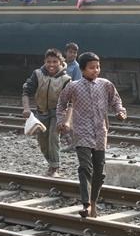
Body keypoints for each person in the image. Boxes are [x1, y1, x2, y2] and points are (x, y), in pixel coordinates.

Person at [56, 52, 126, 218]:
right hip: (82, 133)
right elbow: (61, 104)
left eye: (98, 67)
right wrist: (61, 121)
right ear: (82, 69)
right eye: (92, 68)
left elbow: (116, 100)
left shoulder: (106, 85)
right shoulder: (73, 86)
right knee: (85, 168)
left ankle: (93, 204)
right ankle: (86, 204)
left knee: (100, 172)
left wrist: (120, 112)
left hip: (100, 133)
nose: (96, 70)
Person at [22, 49, 72, 177]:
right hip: (41, 112)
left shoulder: (66, 79)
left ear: (60, 62)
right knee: (42, 141)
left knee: (53, 138)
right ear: (44, 61)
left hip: (58, 113)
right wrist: (26, 108)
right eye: (49, 61)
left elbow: (71, 103)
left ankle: (55, 168)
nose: (51, 65)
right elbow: (26, 91)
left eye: (55, 62)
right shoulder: (37, 74)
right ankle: (51, 164)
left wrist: (67, 121)